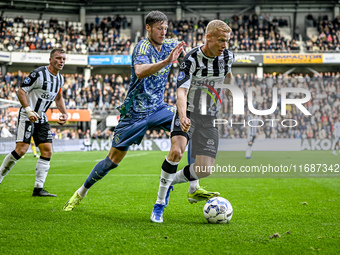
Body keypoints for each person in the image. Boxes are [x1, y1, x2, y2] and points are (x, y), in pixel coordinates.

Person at [63, 10, 185, 211]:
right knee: (112, 161)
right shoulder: (142, 47)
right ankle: (81, 192)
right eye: (159, 28)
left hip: (159, 107)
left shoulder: (172, 44)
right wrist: (166, 62)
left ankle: (188, 185)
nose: (163, 32)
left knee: (187, 126)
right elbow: (140, 71)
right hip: (134, 113)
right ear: (148, 28)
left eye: (165, 28)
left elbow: (190, 58)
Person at [151, 20, 235, 223]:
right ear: (209, 37)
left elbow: (228, 76)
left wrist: (231, 95)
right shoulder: (191, 59)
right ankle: (160, 204)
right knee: (177, 151)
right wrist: (182, 115)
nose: (225, 45)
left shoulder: (227, 56)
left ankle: (170, 181)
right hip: (188, 111)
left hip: (210, 116)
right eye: (221, 40)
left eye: (227, 41)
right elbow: (181, 90)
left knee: (204, 170)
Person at [0, 48, 68, 197]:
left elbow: (58, 98)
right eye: (58, 58)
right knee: (21, 150)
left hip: (42, 117)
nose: (61, 61)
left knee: (47, 150)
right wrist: (29, 110)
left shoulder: (60, 79)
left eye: (63, 59)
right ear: (50, 60)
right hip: (27, 115)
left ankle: (38, 188)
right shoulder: (38, 74)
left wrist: (64, 113)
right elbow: (21, 91)